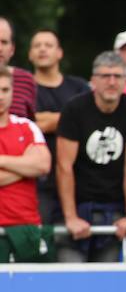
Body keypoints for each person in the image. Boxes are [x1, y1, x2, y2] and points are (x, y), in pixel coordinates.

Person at [55, 52, 126, 262]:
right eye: (105, 76)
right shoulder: (75, 108)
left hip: (114, 210)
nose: (111, 82)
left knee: (107, 282)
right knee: (71, 277)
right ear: (93, 80)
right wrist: (71, 217)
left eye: (117, 76)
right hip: (77, 206)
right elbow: (63, 166)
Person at [28, 29, 90, 226]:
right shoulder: (23, 87)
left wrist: (46, 120)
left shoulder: (79, 87)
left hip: (77, 177)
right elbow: (25, 126)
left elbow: (87, 123)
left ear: (60, 52)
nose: (42, 50)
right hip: (36, 181)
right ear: (29, 54)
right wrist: (67, 118)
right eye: (37, 46)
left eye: (48, 45)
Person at [0, 66, 54, 262]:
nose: (1, 96)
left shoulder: (27, 126)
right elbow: (34, 166)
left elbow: (43, 166)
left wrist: (2, 160)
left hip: (27, 227)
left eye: (5, 90)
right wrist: (24, 167)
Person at [0, 17, 37, 121]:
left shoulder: (26, 80)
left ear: (12, 49)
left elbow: (31, 121)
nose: (0, 48)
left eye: (4, 42)